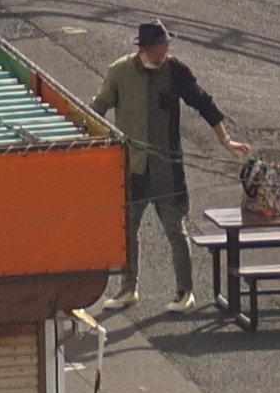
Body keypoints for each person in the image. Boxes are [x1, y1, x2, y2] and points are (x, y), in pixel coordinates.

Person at [91, 20, 230, 312]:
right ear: (143, 49)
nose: (163, 52)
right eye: (158, 47)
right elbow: (98, 108)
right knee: (127, 229)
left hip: (168, 168)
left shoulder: (176, 71)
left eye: (166, 46)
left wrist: (225, 140)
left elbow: (203, 103)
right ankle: (128, 289)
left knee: (175, 230)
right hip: (132, 167)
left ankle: (185, 291)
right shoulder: (120, 72)